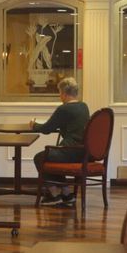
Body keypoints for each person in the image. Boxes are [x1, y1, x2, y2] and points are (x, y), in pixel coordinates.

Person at [31, 77, 91, 207]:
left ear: (64, 93)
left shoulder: (64, 109)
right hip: (84, 151)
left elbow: (46, 129)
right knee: (51, 157)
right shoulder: (83, 106)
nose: (60, 96)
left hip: (70, 150)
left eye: (60, 93)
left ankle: (54, 195)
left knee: (40, 157)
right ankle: (67, 194)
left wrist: (33, 125)